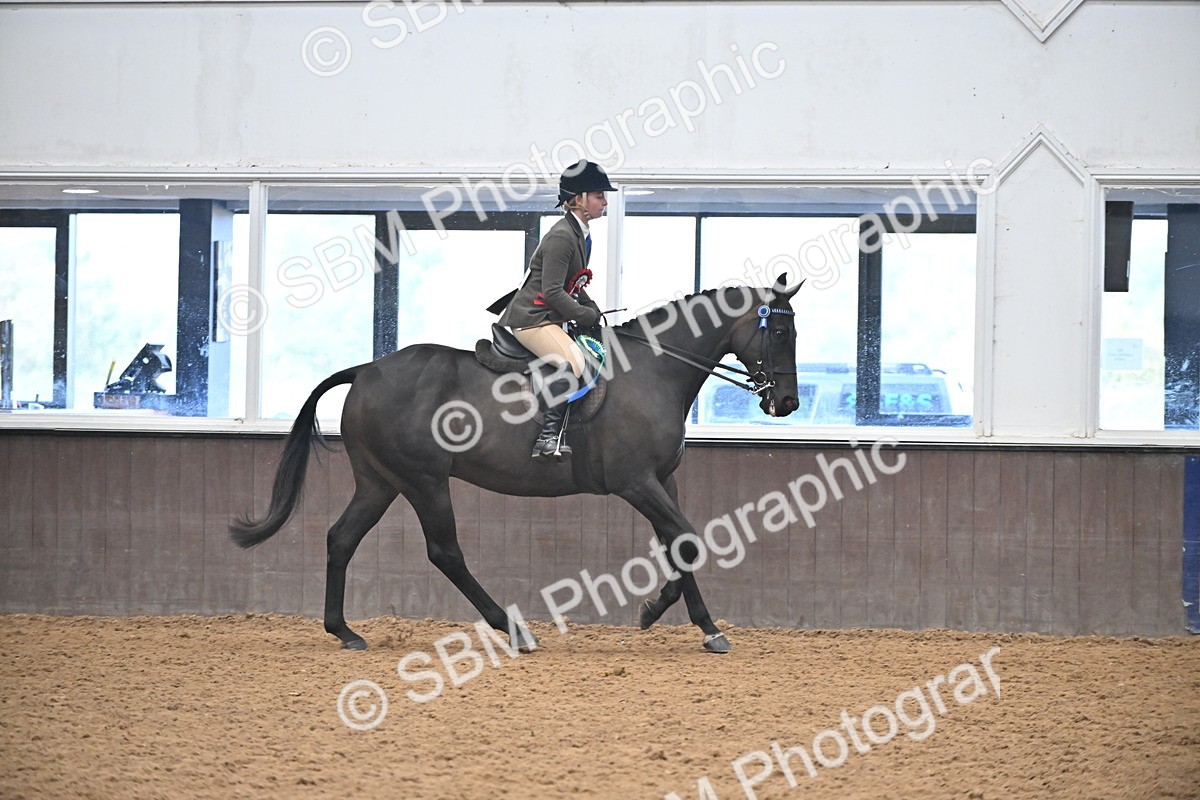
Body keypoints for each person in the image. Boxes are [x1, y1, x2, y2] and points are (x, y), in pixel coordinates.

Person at [497, 159, 615, 459]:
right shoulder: (563, 236)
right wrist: (583, 314)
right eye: (599, 195)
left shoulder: (582, 234)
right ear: (579, 200)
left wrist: (593, 310)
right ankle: (547, 437)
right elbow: (551, 292)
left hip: (550, 316)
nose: (605, 200)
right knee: (575, 363)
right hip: (532, 319)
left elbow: (574, 283)